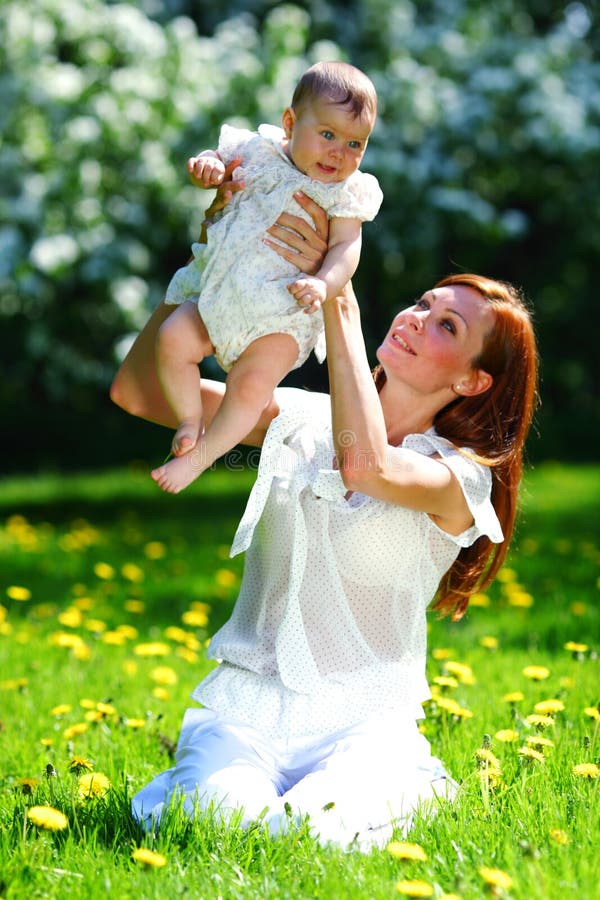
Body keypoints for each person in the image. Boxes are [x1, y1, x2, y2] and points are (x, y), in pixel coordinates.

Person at [110, 192, 538, 851]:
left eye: (448, 327)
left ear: (473, 383)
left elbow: (366, 465)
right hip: (246, 715)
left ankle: (407, 783)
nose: (417, 319)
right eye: (424, 304)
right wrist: (208, 262)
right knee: (223, 830)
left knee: (310, 836)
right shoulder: (298, 420)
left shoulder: (461, 476)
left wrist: (338, 302)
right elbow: (137, 390)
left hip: (363, 727)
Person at [149, 61, 382, 494]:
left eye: (355, 143)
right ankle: (188, 418)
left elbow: (347, 248)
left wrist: (324, 283)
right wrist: (208, 169)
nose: (339, 153)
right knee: (172, 339)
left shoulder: (347, 192)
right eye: (327, 135)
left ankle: (200, 459)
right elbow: (216, 164)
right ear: (289, 123)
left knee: (252, 385)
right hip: (224, 293)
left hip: (284, 311)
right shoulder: (256, 149)